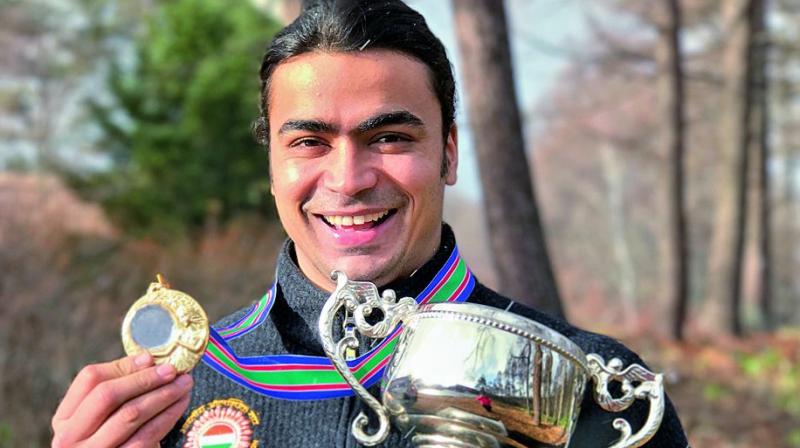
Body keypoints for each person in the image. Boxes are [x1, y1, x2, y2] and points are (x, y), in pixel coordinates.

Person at [51, 1, 690, 447]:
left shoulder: (590, 386)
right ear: (271, 163)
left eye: (388, 137)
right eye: (309, 142)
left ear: (449, 153)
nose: (349, 178)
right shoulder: (167, 400)